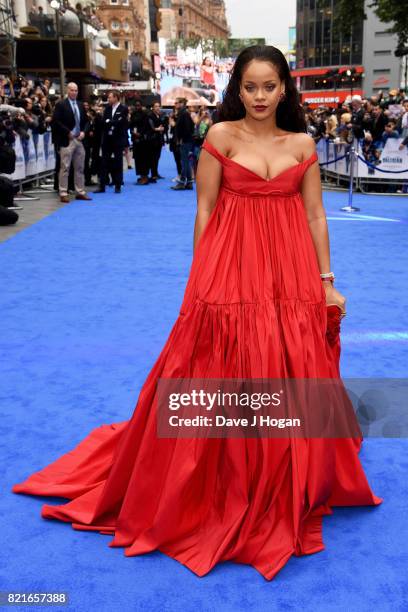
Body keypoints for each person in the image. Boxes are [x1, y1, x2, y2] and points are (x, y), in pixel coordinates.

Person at [12, 45, 382, 581]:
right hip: (231, 266)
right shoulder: (219, 136)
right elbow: (206, 208)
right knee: (224, 365)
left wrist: (328, 281)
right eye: (250, 87)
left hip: (290, 272)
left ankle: (280, 473)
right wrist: (200, 278)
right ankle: (225, 476)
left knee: (288, 364)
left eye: (269, 86)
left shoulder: (302, 143)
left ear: (284, 88)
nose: (259, 96)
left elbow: (316, 215)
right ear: (239, 88)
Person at [52, 82, 91, 203]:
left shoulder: (80, 105)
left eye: (76, 90)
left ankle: (80, 191)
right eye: (72, 90)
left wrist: (84, 132)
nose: (74, 92)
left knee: (80, 167)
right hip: (67, 139)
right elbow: (56, 121)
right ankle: (63, 192)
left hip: (79, 139)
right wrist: (67, 132)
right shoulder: (61, 105)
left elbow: (87, 121)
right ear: (67, 91)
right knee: (65, 167)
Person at [95, 90, 129, 194]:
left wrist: (110, 122)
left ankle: (118, 184)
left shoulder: (123, 109)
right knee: (104, 162)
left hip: (118, 139)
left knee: (118, 162)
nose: (108, 99)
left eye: (110, 97)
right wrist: (109, 122)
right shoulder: (107, 109)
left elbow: (120, 122)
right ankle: (102, 185)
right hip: (107, 139)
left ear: (116, 97)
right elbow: (104, 123)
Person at [171, 97, 195, 190]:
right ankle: (189, 183)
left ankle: (182, 182)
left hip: (185, 141)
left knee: (184, 162)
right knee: (186, 162)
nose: (175, 104)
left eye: (176, 103)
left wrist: (181, 139)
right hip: (186, 140)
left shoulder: (184, 113)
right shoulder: (183, 113)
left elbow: (188, 128)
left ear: (182, 103)